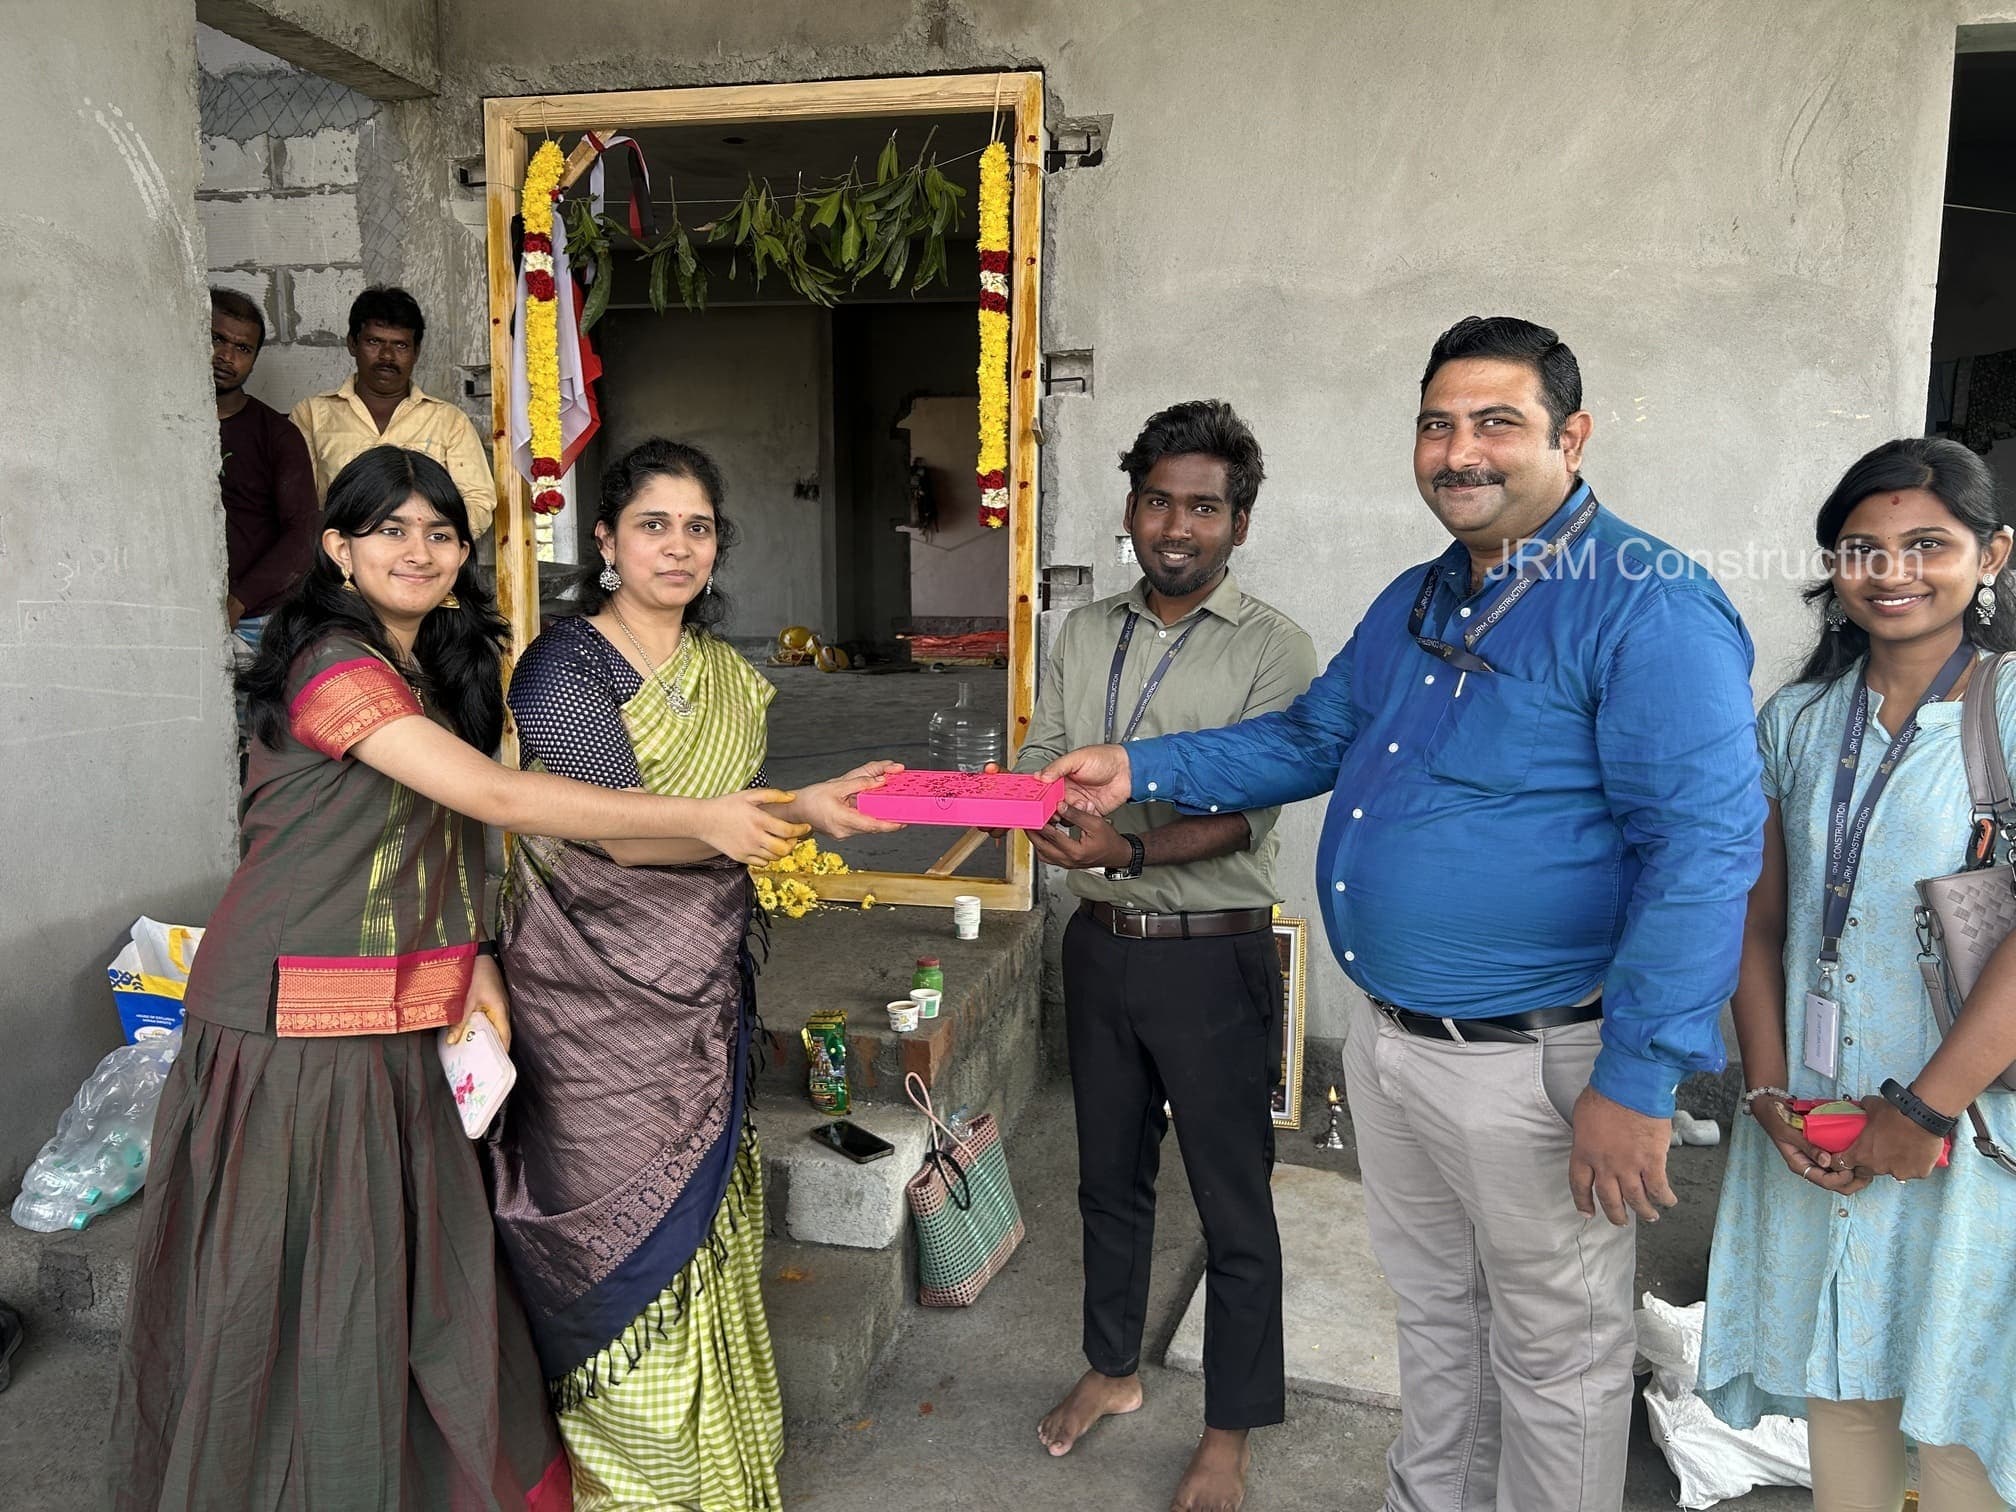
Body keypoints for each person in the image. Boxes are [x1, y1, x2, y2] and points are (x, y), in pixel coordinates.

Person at [1040, 316, 1765, 1512]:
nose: (1459, 450)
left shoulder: (1649, 605)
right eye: (1438, 424)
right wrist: (1142, 768)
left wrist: (1640, 1081)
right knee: (1435, 1321)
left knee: (1555, 1360)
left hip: (1537, 1057)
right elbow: (1311, 736)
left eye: (1497, 423)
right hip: (1397, 1046)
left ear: (1572, 438)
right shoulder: (1422, 597)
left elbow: (1702, 854)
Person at [105, 445, 807, 1512]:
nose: (419, 551)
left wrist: (478, 949)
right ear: (336, 549)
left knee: (409, 1278)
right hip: (296, 1019)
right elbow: (498, 801)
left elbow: (449, 841)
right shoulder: (333, 667)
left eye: (440, 532)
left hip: (414, 1006)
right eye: (389, 530)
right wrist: (711, 820)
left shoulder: (435, 667)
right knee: (305, 1288)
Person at [486, 437, 902, 1511]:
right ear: (606, 540)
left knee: (703, 1221)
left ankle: (719, 1472)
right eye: (654, 525)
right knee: (608, 1224)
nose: (678, 547)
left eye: (699, 527)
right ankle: (638, 1484)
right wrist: (792, 815)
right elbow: (620, 835)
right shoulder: (564, 666)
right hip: (588, 998)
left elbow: (728, 822)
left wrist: (812, 805)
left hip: (699, 994)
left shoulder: (726, 676)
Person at [1698, 437, 2016, 1512]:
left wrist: (1922, 1114)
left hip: (1971, 1125)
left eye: (1928, 545)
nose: (1892, 573)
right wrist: (1768, 1090)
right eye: (1862, 549)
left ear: (1992, 556)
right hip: (1818, 1115)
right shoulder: (1794, 722)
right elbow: (1759, 923)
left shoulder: (2011, 707)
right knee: (1845, 1392)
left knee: (1966, 1414)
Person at [1012, 401, 1316, 1512]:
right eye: (1157, 501)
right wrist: (1024, 803)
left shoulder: (1275, 648)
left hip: (1211, 957)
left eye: (1203, 507)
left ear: (1240, 522)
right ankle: (1113, 1370)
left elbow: (1248, 810)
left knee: (1232, 1201)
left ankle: (1229, 1429)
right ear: (1132, 505)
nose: (1176, 526)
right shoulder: (1084, 630)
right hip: (1099, 947)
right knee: (1107, 1180)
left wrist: (1127, 847)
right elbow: (1044, 752)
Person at [291, 286, 498, 535]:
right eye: (374, 342)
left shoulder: (449, 421)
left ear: (416, 352)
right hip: (341, 555)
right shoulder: (312, 415)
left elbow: (478, 502)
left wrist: (429, 538)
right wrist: (347, 543)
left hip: (421, 555)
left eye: (400, 345)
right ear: (352, 344)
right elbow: (297, 506)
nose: (387, 356)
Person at [211, 287, 319, 656]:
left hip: (255, 619)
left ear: (255, 359)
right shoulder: (161, 424)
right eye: (217, 339)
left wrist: (239, 601)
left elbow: (302, 534)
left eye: (243, 349)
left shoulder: (277, 435)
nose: (226, 356)